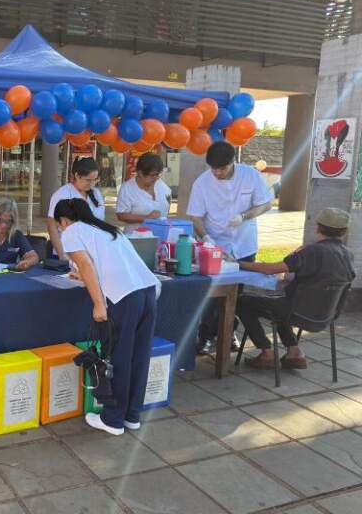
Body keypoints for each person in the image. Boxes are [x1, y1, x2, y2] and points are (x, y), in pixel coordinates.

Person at [55, 198, 159, 435]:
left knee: (119, 357)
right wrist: (82, 276)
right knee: (138, 357)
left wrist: (98, 304)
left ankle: (113, 419)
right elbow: (106, 266)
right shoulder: (107, 229)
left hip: (123, 298)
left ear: (64, 220)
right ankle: (131, 415)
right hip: (147, 292)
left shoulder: (71, 231)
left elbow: (86, 265)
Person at [236, 208, 355, 369]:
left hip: (295, 311)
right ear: (344, 231)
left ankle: (267, 352)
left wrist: (239, 263)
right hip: (325, 315)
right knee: (281, 306)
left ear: (318, 227)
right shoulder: (348, 254)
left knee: (242, 302)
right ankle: (294, 351)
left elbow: (272, 269)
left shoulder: (312, 251)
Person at [187, 142, 273, 355]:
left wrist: (245, 216)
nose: (217, 173)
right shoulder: (202, 183)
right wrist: (207, 238)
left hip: (244, 243)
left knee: (236, 294)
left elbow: (266, 203)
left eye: (222, 168)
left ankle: (227, 333)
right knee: (212, 295)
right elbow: (195, 216)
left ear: (233, 162)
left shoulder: (250, 175)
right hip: (215, 244)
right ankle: (206, 336)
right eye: (213, 168)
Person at [47, 157, 105, 259]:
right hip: (68, 252)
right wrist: (62, 256)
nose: (91, 184)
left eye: (95, 180)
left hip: (92, 252)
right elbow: (52, 228)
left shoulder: (96, 194)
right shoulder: (62, 194)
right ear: (77, 175)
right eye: (88, 180)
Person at [116, 153, 172, 232]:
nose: (156, 178)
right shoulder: (127, 188)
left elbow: (167, 209)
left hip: (160, 236)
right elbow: (121, 215)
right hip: (136, 237)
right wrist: (146, 218)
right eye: (152, 175)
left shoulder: (163, 186)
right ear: (140, 173)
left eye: (158, 174)